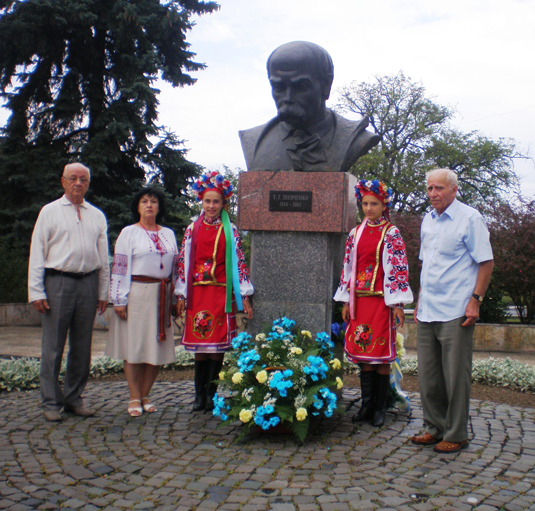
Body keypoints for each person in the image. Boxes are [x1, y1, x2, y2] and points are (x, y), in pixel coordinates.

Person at [412, 168, 494, 454]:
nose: (433, 194)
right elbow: (427, 264)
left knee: (455, 376)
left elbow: (486, 262)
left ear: (454, 190)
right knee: (428, 377)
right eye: (430, 188)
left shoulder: (470, 218)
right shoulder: (428, 220)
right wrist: (420, 300)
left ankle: (456, 433)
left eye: (439, 188)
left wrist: (475, 300)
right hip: (428, 309)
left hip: (456, 310)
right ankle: (433, 428)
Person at [28, 163, 109, 422]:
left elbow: (103, 258)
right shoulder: (49, 212)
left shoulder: (96, 215)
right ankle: (51, 402)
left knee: (82, 346)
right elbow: (37, 253)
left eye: (83, 179)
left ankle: (74, 397)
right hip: (57, 282)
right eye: (72, 178)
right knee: (53, 347)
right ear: (63, 181)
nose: (78, 183)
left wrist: (103, 291)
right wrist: (36, 291)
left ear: (88, 183)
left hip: (88, 282)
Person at [334, 179, 413, 427]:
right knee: (364, 355)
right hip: (360, 302)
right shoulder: (354, 233)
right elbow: (348, 268)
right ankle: (366, 406)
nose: (368, 208)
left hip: (381, 303)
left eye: (374, 204)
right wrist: (346, 301)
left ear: (383, 205)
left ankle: (379, 408)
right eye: (365, 203)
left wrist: (398, 304)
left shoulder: (392, 233)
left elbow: (398, 269)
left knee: (381, 355)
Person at [176, 171, 254, 412]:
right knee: (201, 347)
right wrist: (181, 294)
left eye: (216, 201)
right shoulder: (192, 229)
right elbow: (184, 262)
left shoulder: (231, 231)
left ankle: (210, 394)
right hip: (197, 294)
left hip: (221, 295)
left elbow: (239, 263)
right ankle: (198, 396)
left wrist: (244, 295)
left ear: (223, 203)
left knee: (216, 348)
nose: (211, 206)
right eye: (207, 201)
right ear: (202, 201)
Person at [239, 41, 380, 172]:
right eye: (279, 87)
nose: (288, 98)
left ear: (326, 84)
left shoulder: (354, 138)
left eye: (301, 87)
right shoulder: (253, 142)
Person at [106, 187, 178, 417]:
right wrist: (119, 298)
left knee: (156, 348)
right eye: (144, 201)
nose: (149, 205)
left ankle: (145, 394)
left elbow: (176, 268)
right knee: (134, 347)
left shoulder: (168, 234)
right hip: (136, 294)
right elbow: (120, 265)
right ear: (137, 206)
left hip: (162, 295)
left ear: (159, 207)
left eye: (154, 201)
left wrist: (177, 297)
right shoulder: (129, 233)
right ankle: (134, 396)